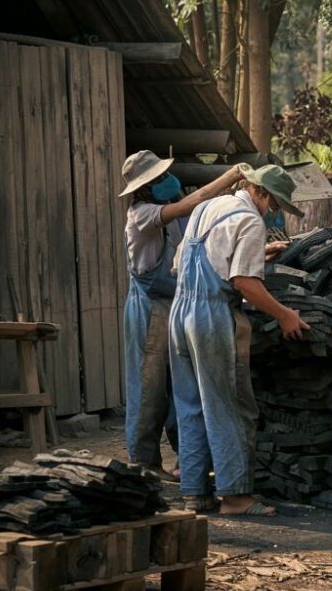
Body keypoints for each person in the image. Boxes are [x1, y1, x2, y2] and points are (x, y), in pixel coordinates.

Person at [169, 163, 309, 517]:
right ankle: (235, 497)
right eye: (273, 204)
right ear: (258, 192)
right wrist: (284, 314)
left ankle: (195, 493)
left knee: (191, 406)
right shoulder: (250, 221)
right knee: (228, 404)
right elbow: (245, 283)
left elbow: (180, 264)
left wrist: (256, 254)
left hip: (180, 312)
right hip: (211, 317)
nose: (272, 212)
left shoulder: (205, 208)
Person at [119, 150, 245, 478]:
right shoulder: (143, 215)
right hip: (149, 308)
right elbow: (193, 202)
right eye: (159, 179)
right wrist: (231, 176)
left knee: (181, 388)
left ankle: (187, 461)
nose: (167, 181)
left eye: (165, 175)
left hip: (176, 304)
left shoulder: (175, 215)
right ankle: (143, 462)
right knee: (149, 388)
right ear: (144, 188)